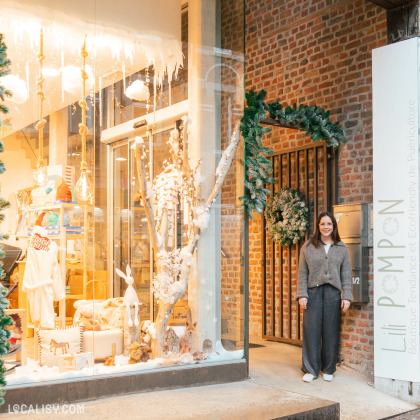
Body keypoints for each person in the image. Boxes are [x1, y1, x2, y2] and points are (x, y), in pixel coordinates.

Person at [297, 211, 353, 383]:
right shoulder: (308, 246)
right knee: (311, 331)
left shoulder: (342, 248)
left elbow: (346, 274)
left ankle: (328, 368)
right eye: (323, 224)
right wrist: (302, 294)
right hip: (312, 293)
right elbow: (302, 273)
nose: (326, 227)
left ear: (334, 227)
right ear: (318, 226)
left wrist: (347, 296)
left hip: (333, 294)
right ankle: (311, 369)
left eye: (329, 224)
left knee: (330, 331)